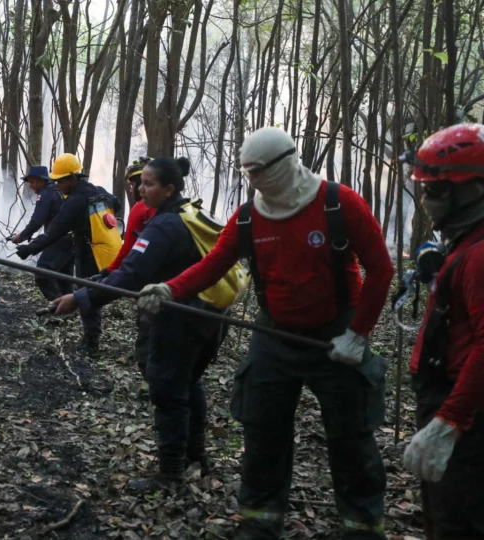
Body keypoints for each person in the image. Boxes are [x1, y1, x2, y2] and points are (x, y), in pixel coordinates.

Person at [140, 127, 394, 539]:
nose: (253, 180)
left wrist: (359, 334)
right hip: (274, 333)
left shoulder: (339, 203)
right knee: (262, 429)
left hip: (336, 334)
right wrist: (171, 288)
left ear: (284, 164)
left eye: (258, 171)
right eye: (247, 172)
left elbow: (381, 269)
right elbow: (214, 264)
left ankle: (363, 524)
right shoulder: (249, 216)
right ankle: (260, 520)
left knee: (351, 434)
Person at [52, 156, 225, 489]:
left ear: (169, 188)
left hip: (180, 320)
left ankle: (170, 474)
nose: (139, 189)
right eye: (138, 182)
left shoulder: (164, 226)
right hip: (206, 317)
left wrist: (80, 298)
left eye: (148, 184)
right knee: (189, 382)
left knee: (167, 389)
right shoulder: (186, 214)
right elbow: (131, 267)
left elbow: (132, 275)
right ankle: (196, 457)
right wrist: (100, 279)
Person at [401, 123, 484, 539]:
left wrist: (449, 421)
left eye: (435, 192)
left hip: (464, 411)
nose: (428, 202)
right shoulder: (466, 242)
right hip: (452, 398)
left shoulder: (480, 255)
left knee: (458, 518)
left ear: (473, 191)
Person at [16, 153, 122, 355]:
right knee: (88, 291)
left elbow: (53, 232)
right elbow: (116, 204)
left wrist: (29, 248)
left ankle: (91, 344)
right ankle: (89, 337)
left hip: (88, 252)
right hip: (105, 249)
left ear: (73, 178)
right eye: (55, 181)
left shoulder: (75, 201)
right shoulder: (99, 192)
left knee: (87, 292)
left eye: (61, 181)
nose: (58, 185)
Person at [106, 157, 158, 377]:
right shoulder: (179, 208)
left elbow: (128, 251)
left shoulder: (140, 208)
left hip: (154, 283)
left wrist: (108, 273)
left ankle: (148, 379)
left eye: (132, 184)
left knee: (147, 327)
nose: (132, 189)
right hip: (185, 287)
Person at [9, 165, 75, 300]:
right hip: (73, 240)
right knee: (64, 278)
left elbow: (37, 221)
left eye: (32, 182)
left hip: (59, 240)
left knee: (42, 274)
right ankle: (69, 313)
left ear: (41, 180)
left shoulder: (46, 193)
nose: (31, 186)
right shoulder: (59, 190)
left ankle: (58, 309)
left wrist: (21, 236)